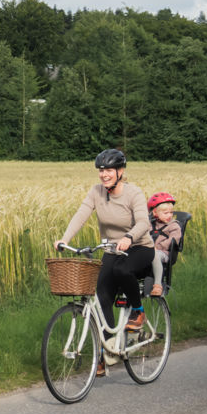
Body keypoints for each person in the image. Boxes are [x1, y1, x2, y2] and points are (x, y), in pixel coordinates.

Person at [55, 149, 152, 353]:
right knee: (102, 298)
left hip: (139, 247)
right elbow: (81, 214)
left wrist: (129, 237)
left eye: (109, 170)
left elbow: (144, 222)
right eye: (101, 170)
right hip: (111, 249)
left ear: (120, 171)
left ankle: (138, 311)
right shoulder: (96, 191)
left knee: (122, 271)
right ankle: (106, 350)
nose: (104, 174)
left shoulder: (133, 193)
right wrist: (65, 238)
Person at [146, 192, 183, 297]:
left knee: (155, 254)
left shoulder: (174, 226)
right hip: (148, 250)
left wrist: (156, 247)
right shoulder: (149, 224)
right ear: (155, 213)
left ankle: (158, 285)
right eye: (165, 213)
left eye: (171, 212)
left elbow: (173, 240)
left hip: (164, 253)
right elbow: (142, 234)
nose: (169, 215)